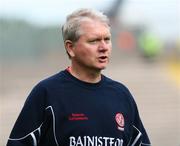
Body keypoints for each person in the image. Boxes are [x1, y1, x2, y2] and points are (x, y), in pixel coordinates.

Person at [7, 8, 151, 146]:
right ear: (70, 48)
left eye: (107, 39)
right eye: (93, 41)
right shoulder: (48, 93)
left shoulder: (122, 95)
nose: (103, 47)